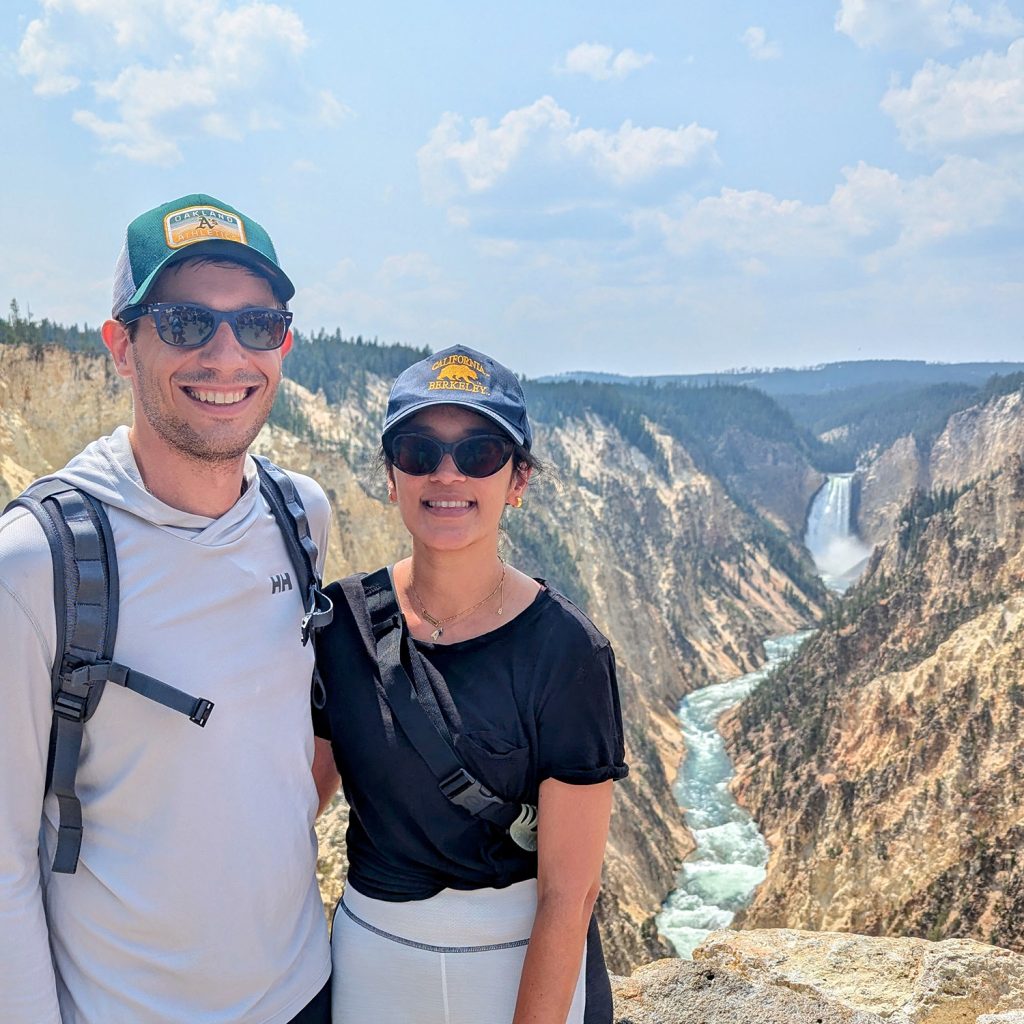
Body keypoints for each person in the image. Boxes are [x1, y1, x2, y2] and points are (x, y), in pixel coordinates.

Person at [0, 193, 334, 1023]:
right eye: (186, 324)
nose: (228, 355)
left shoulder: (301, 517)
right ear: (121, 344)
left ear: (283, 344)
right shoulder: (37, 564)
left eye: (259, 325)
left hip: (304, 993)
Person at [312, 344, 628, 1024]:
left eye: (479, 453)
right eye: (420, 451)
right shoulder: (339, 628)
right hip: (376, 967)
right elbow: (288, 811)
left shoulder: (568, 651)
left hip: (517, 967)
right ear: (392, 476)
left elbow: (569, 893)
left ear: (517, 480)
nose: (446, 474)